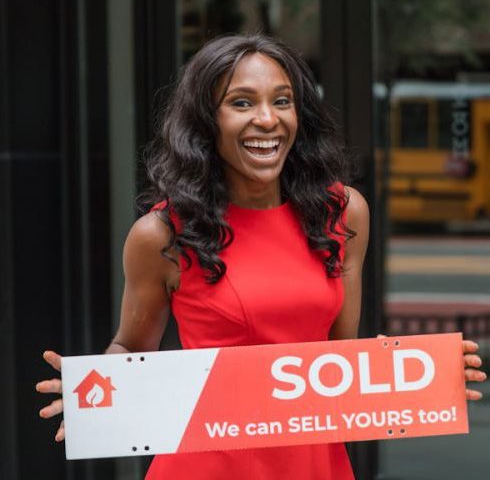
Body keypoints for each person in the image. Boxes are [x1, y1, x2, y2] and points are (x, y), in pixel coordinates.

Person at [37, 34, 486, 479]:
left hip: (315, 464)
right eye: (242, 103)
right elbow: (132, 348)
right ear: (205, 123)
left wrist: (426, 375)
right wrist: (88, 393)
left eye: (282, 101)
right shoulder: (162, 235)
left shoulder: (343, 212)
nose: (267, 119)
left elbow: (343, 359)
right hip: (206, 466)